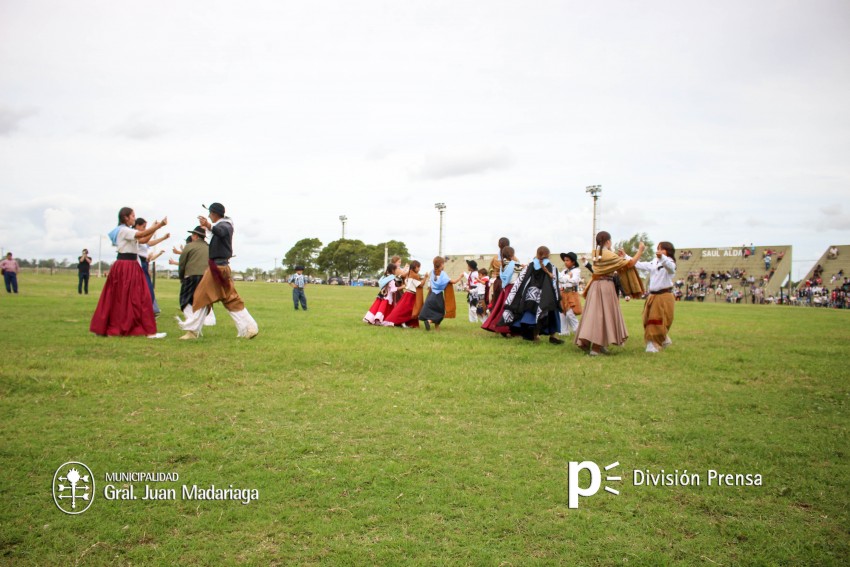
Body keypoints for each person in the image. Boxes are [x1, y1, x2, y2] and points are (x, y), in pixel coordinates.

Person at [177, 202, 259, 340]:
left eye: (210, 214)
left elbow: (220, 232)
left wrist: (209, 226)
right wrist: (209, 227)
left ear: (214, 213)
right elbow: (218, 233)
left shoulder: (224, 226)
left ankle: (192, 331)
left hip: (217, 269)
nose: (209, 216)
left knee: (201, 297)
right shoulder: (224, 225)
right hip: (220, 268)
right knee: (231, 300)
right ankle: (250, 327)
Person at [89, 207, 167, 338]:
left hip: (129, 265)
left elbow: (142, 240)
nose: (134, 218)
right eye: (132, 216)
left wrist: (156, 228)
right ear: (125, 217)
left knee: (127, 297)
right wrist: (159, 226)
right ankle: (147, 332)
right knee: (136, 297)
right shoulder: (124, 230)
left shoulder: (126, 231)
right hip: (127, 266)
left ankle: (144, 330)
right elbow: (141, 235)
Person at [575, 231, 645, 356]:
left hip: (595, 286)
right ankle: (596, 348)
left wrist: (621, 257)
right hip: (606, 286)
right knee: (603, 316)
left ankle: (597, 344)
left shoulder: (596, 253)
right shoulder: (608, 254)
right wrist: (640, 251)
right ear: (608, 241)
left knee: (593, 315)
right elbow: (630, 264)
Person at [498, 246, 563, 344]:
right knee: (551, 314)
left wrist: (517, 295)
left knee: (531, 315)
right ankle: (553, 335)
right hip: (546, 297)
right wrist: (558, 298)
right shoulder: (551, 267)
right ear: (548, 255)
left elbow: (520, 280)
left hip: (530, 296)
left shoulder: (531, 265)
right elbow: (554, 283)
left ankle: (535, 335)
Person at [634, 242, 677, 353]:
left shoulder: (670, 262)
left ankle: (653, 343)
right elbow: (639, 264)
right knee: (647, 319)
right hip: (653, 295)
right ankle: (664, 339)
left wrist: (662, 257)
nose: (659, 251)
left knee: (656, 320)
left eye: (662, 249)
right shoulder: (654, 262)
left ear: (668, 251)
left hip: (663, 296)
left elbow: (671, 268)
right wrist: (625, 256)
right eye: (658, 249)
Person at [174, 226, 217, 329]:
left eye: (193, 234)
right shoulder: (209, 247)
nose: (192, 236)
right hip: (206, 277)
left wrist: (181, 277)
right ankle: (202, 322)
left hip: (191, 276)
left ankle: (192, 322)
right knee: (202, 301)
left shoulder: (189, 246)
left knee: (184, 301)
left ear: (196, 236)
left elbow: (182, 263)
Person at [481, 245, 521, 337]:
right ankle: (510, 328)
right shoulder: (515, 264)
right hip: (513, 288)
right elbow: (523, 271)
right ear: (512, 255)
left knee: (502, 308)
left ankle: (502, 327)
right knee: (513, 308)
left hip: (505, 289)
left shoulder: (503, 264)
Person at [134, 218, 170, 316]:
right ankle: (144, 312)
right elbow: (145, 238)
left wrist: (162, 237)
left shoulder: (141, 237)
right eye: (143, 227)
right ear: (137, 226)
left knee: (149, 291)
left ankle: (148, 311)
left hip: (144, 265)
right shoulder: (135, 236)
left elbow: (148, 242)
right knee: (144, 290)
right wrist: (156, 227)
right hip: (138, 264)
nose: (145, 229)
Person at [418, 256, 462, 331]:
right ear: (441, 264)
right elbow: (453, 282)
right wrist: (460, 276)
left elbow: (431, 285)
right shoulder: (443, 274)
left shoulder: (432, 272)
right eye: (443, 263)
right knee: (440, 313)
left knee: (433, 311)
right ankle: (430, 322)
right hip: (438, 296)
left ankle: (436, 327)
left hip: (431, 295)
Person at [383, 260, 424, 328]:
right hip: (410, 294)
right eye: (418, 267)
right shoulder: (413, 275)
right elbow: (421, 285)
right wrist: (425, 277)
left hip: (409, 294)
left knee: (407, 309)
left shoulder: (410, 274)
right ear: (415, 267)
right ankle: (401, 322)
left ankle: (407, 323)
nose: (419, 269)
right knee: (406, 309)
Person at [558, 252, 583, 337]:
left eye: (567, 260)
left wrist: (566, 279)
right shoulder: (564, 271)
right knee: (562, 313)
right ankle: (563, 332)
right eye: (565, 260)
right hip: (563, 293)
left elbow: (575, 280)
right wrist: (567, 277)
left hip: (571, 293)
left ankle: (578, 331)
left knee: (570, 313)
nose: (565, 262)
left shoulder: (576, 270)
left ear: (573, 262)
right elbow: (560, 280)